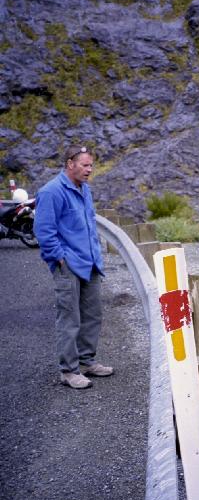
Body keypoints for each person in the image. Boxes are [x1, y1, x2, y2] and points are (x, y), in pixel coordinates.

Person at [34, 145, 113, 389]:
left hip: (90, 263)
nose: (89, 170)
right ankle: (68, 371)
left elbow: (89, 224)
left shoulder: (85, 189)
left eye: (91, 165)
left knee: (92, 315)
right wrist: (58, 258)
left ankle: (87, 361)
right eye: (85, 165)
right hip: (68, 264)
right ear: (70, 163)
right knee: (69, 318)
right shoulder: (51, 191)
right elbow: (43, 231)